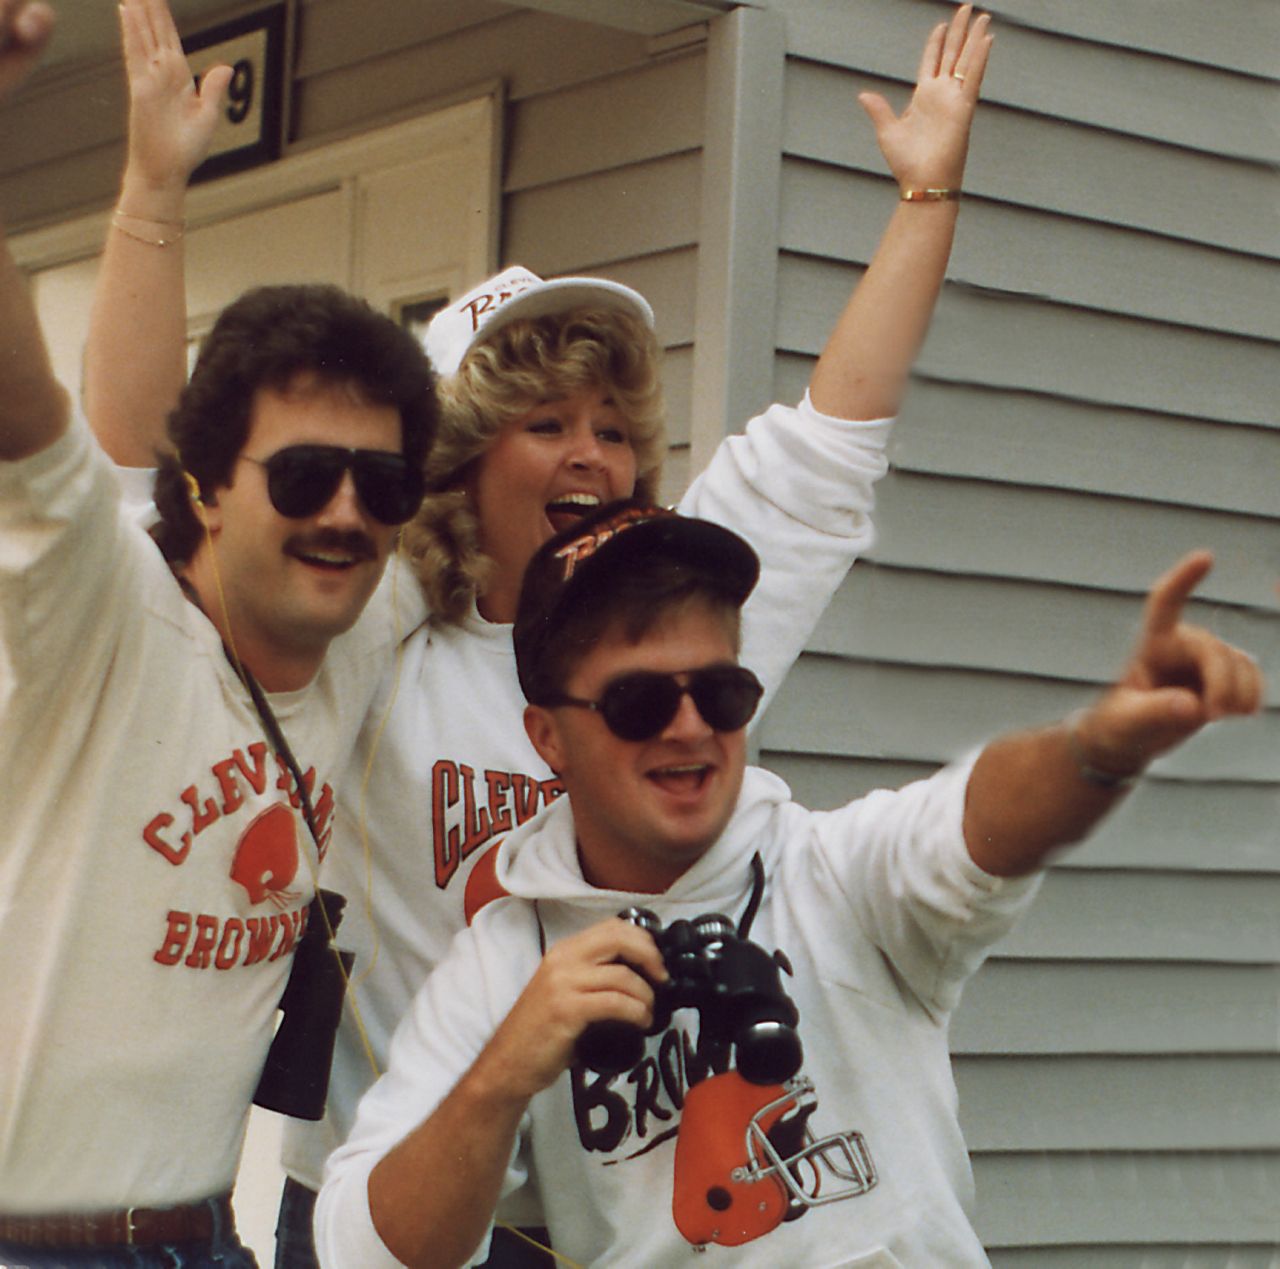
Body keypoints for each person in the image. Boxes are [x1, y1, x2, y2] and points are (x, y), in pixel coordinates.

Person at [84, 2, 995, 1261]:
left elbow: (827, 439)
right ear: (460, 459)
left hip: (600, 1211)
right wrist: (153, 194)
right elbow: (148, 490)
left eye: (612, 425)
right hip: (388, 1198)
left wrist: (924, 206)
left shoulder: (666, 626)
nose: (591, 454)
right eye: (545, 423)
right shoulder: (374, 632)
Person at [314, 500, 1263, 1268]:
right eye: (641, 700)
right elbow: (364, 1248)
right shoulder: (504, 963)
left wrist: (1100, 745)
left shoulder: (832, 872)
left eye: (720, 693)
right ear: (548, 738)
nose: (689, 729)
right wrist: (500, 1080)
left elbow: (978, 821)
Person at [0, 5, 441, 1264]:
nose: (347, 512)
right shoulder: (104, 625)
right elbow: (49, 434)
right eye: (301, 476)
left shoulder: (360, 625)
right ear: (204, 487)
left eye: (382, 484)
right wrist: (147, 187)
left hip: (199, 1236)